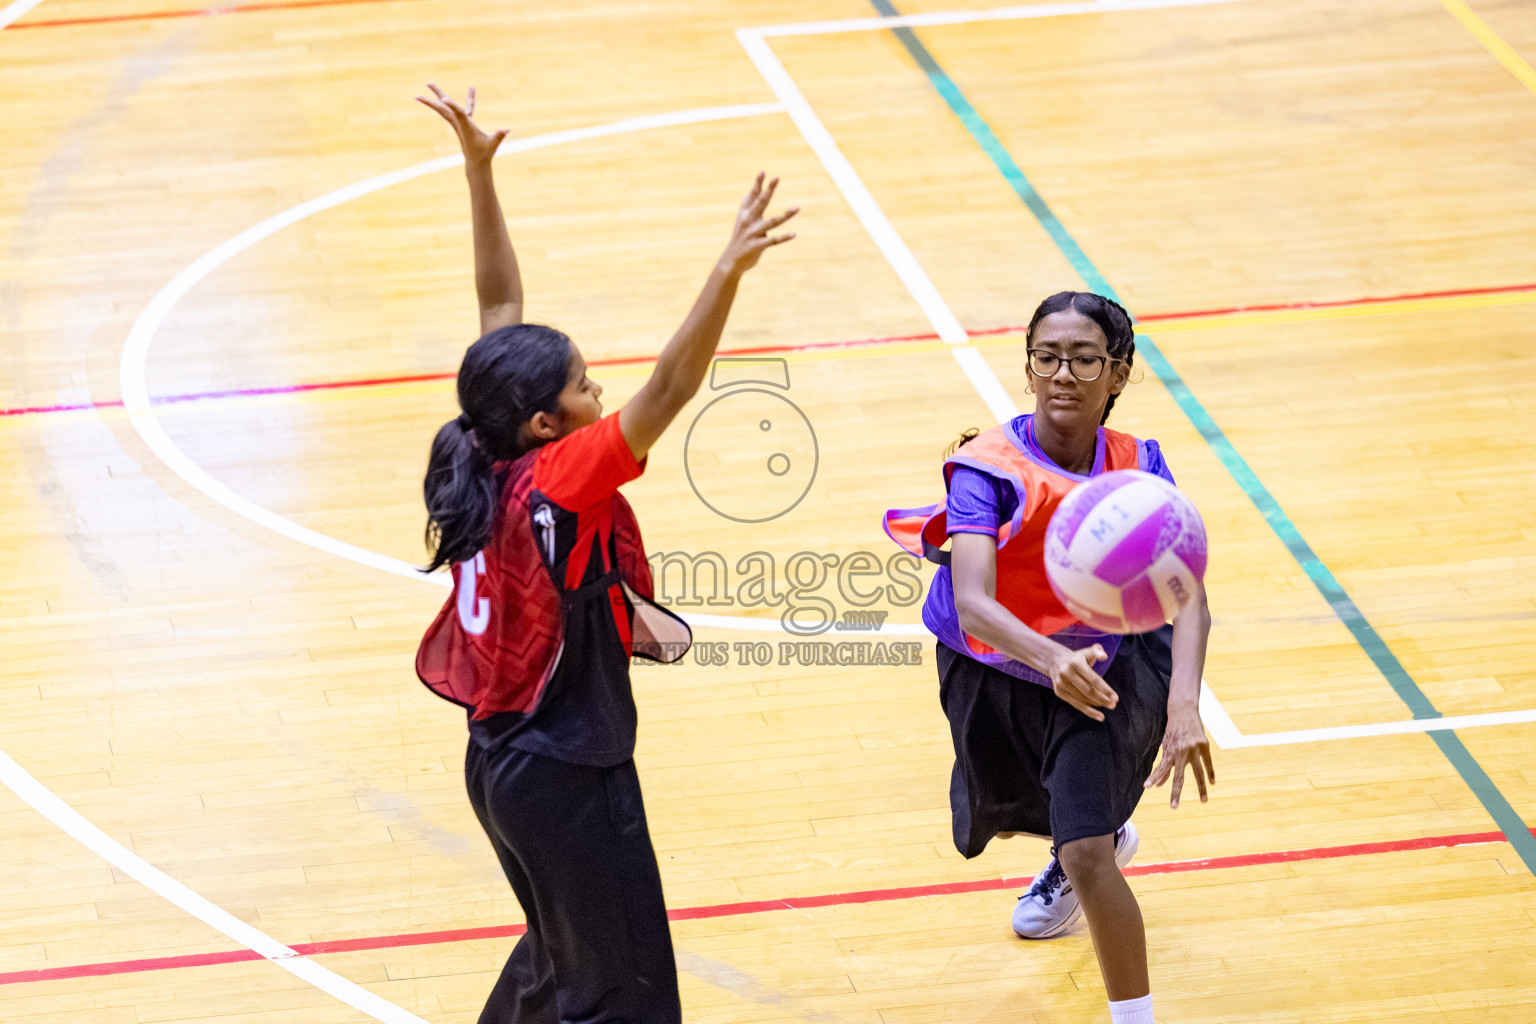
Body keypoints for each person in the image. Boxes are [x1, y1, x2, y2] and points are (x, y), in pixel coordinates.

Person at [412, 84, 796, 1024]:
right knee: (614, 996)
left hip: (503, 763)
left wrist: (479, 172)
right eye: (586, 388)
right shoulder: (561, 478)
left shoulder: (482, 440)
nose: (600, 393)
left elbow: (499, 302)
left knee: (560, 965)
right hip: (565, 770)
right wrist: (728, 274)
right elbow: (671, 384)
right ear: (547, 421)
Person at [884, 291, 1214, 1024]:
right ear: (1028, 368)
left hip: (1100, 662)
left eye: (1084, 359)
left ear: (1118, 374)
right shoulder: (986, 468)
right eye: (1047, 357)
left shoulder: (1138, 466)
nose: (1063, 374)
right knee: (1011, 809)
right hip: (994, 659)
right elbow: (973, 600)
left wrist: (1185, 702)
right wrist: (1047, 660)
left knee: (1088, 854)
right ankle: (1089, 838)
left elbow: (1187, 593)